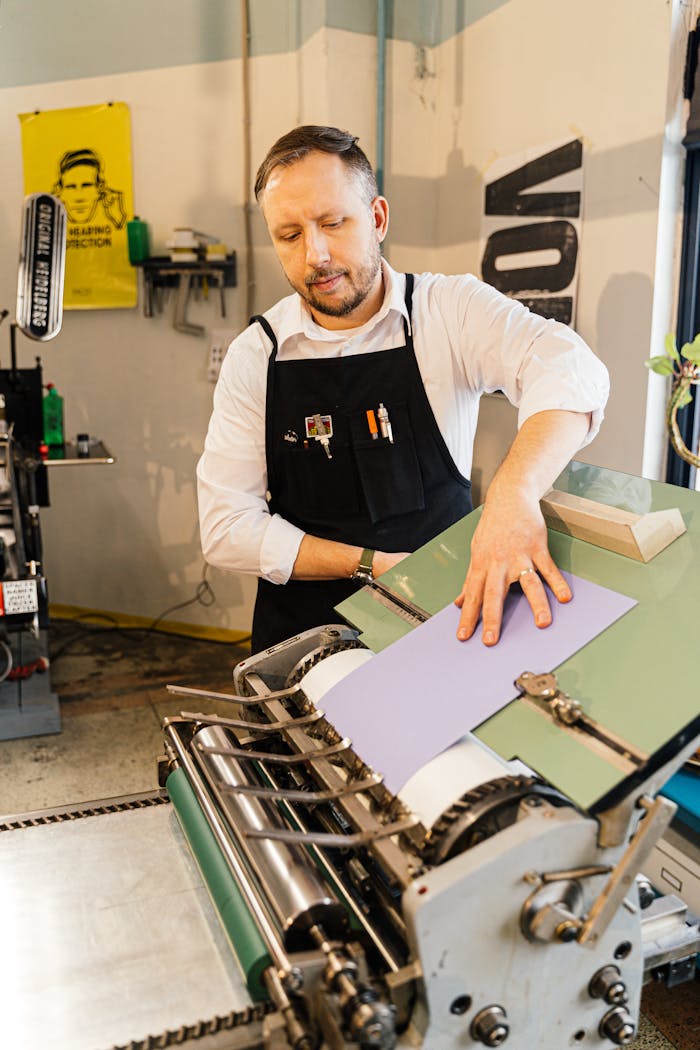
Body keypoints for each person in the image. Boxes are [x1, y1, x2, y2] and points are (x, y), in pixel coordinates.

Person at [197, 125, 609, 654]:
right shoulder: (258, 355)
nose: (315, 255)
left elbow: (570, 365)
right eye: (290, 235)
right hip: (304, 644)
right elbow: (226, 528)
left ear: (377, 218)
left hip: (443, 623)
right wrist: (370, 565)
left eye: (332, 222)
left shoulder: (449, 311)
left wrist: (515, 492)